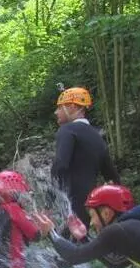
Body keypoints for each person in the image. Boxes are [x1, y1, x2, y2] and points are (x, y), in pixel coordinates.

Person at [51, 87, 120, 237]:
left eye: (59, 107)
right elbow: (112, 176)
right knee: (82, 246)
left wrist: (50, 196)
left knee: (67, 249)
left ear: (72, 107)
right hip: (91, 208)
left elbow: (61, 164)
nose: (56, 112)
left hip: (72, 204)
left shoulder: (67, 130)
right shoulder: (96, 136)